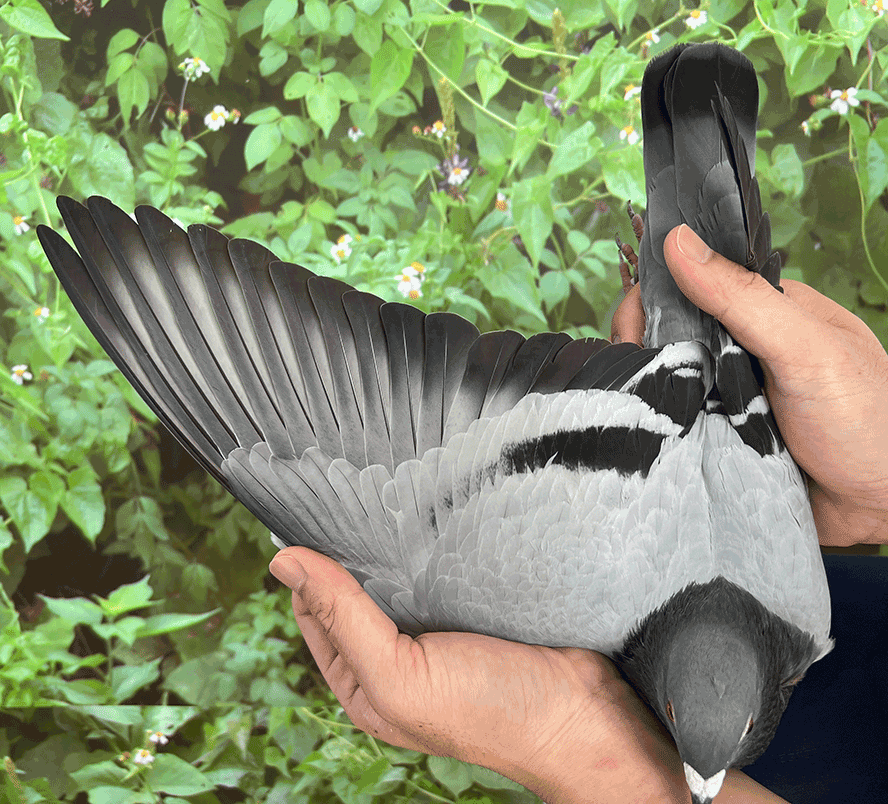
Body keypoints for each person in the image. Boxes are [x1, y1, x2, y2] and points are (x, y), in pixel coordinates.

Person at [269, 224, 888, 804]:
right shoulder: (806, 621)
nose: (699, 790)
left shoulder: (809, 620)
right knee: (414, 569)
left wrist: (574, 743)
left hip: (724, 399)